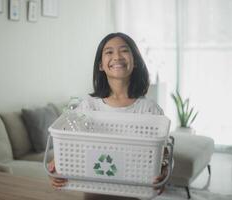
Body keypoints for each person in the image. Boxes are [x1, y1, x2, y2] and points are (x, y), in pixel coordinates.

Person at [48, 32, 168, 195]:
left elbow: (163, 154)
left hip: (136, 192)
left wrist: (164, 173)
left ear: (136, 62)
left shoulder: (150, 110)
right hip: (94, 192)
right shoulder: (87, 107)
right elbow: (69, 143)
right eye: (109, 52)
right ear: (100, 65)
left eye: (124, 50)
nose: (117, 56)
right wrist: (56, 166)